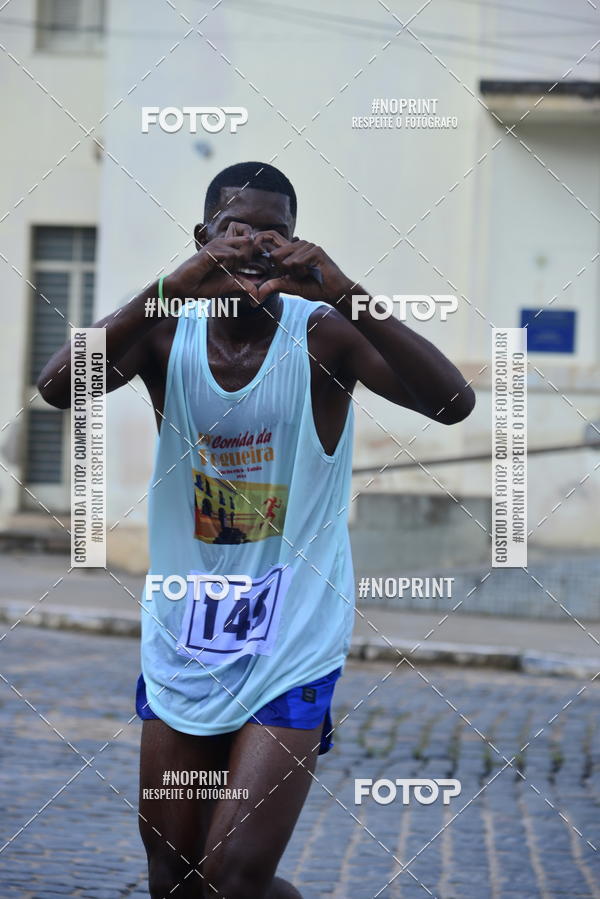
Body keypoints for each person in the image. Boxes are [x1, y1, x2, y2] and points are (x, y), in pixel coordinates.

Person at [38, 161, 475, 898]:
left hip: (293, 638)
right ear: (204, 237)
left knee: (234, 875)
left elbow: (453, 402)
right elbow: (58, 386)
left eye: (274, 232)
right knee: (174, 876)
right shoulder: (163, 333)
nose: (255, 245)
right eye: (236, 230)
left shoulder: (326, 337)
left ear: (295, 245)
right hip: (186, 634)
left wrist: (346, 291)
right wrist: (176, 283)